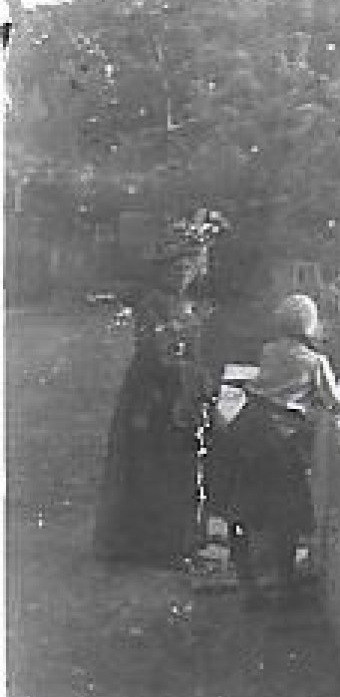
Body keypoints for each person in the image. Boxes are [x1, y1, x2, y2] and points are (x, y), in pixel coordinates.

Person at [93, 219, 220, 567]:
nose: (184, 274)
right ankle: (150, 544)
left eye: (190, 267)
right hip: (154, 392)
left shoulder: (189, 305)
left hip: (179, 391)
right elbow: (158, 352)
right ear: (165, 270)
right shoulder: (153, 303)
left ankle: (173, 540)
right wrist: (190, 372)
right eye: (177, 267)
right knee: (152, 464)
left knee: (178, 464)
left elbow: (190, 350)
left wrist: (199, 378)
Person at [208, 292, 340, 606]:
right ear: (310, 326)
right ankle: (284, 585)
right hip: (277, 440)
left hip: (247, 427)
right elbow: (335, 401)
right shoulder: (315, 362)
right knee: (285, 512)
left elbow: (271, 383)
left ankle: (248, 585)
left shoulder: (269, 350)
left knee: (242, 506)